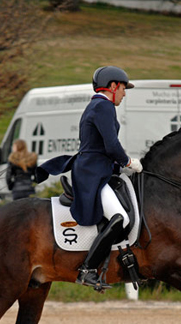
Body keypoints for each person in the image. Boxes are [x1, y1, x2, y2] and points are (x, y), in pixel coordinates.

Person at [36, 66, 143, 289]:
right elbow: (111, 145)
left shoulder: (98, 106)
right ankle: (87, 269)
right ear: (113, 86)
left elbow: (100, 147)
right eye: (123, 88)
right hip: (92, 174)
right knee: (120, 218)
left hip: (97, 169)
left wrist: (117, 166)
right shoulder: (103, 106)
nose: (124, 94)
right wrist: (128, 162)